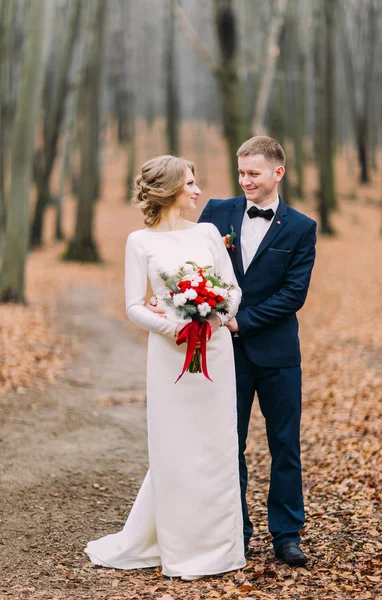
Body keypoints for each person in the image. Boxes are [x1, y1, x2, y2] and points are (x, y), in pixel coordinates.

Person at [84, 155, 245, 580]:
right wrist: (171, 324)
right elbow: (135, 306)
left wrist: (209, 318)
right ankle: (177, 545)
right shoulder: (140, 242)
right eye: (190, 183)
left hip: (215, 350)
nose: (197, 191)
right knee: (175, 447)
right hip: (170, 355)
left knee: (216, 447)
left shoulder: (209, 232)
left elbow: (231, 290)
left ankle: (219, 548)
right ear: (171, 188)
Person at [198, 136, 317, 566]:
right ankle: (237, 531)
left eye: (254, 173)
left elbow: (293, 294)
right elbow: (196, 268)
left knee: (284, 444)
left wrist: (240, 322)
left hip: (279, 355)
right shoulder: (216, 213)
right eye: (241, 172)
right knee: (229, 444)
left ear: (277, 173)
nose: (245, 180)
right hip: (225, 355)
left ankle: (287, 534)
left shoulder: (302, 227)